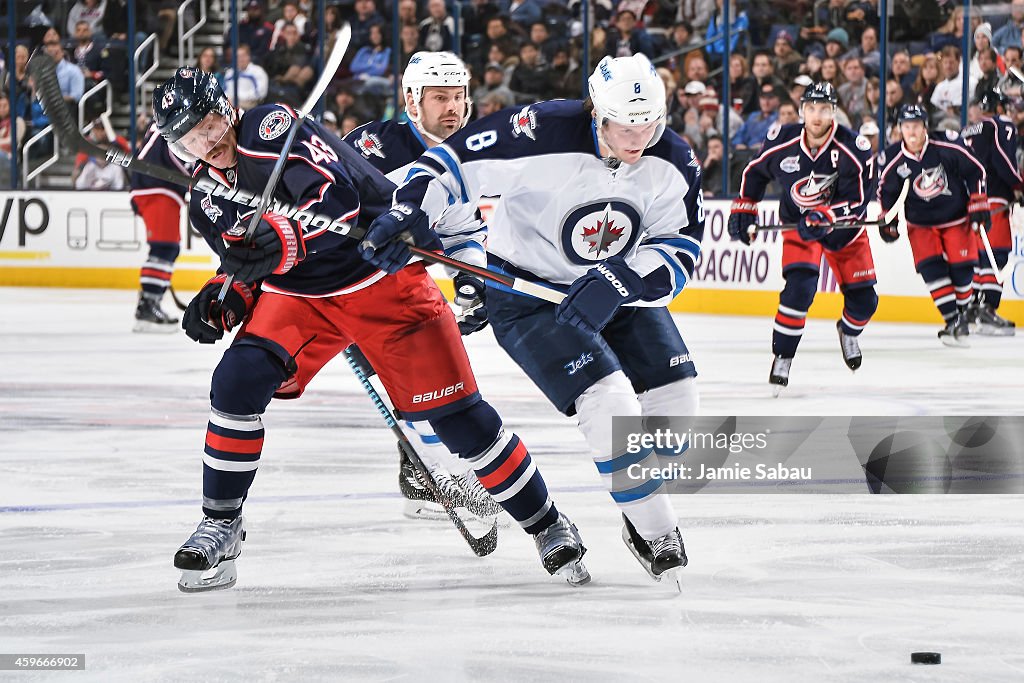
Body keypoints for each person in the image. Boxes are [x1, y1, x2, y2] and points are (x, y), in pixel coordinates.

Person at [152, 68, 588, 592]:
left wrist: (278, 239)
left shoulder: (272, 128)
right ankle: (221, 525)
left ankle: (547, 525)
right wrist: (229, 292)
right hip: (300, 299)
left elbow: (339, 205)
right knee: (235, 383)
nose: (210, 141)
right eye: (193, 137)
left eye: (210, 123)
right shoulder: (205, 196)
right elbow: (246, 262)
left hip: (382, 281)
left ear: (227, 108)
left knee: (460, 422)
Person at [360, 53, 701, 584]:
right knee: (607, 403)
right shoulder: (538, 130)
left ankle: (638, 498)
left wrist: (622, 282)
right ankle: (654, 528)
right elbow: (450, 165)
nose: (637, 140)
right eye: (623, 126)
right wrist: (410, 211)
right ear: (595, 113)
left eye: (648, 124)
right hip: (530, 295)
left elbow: (681, 248)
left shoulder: (673, 157)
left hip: (616, 290)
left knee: (678, 410)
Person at [343, 52, 498, 520]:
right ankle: (431, 472)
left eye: (458, 97)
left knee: (422, 372)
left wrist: (470, 280)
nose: (452, 108)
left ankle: (421, 473)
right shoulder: (371, 146)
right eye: (439, 98)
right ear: (412, 100)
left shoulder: (470, 154)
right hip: (343, 279)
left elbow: (462, 233)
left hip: (398, 286)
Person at [728, 82, 878, 393]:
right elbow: (754, 173)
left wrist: (828, 215)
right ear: (801, 111)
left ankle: (848, 332)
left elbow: (861, 199)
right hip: (799, 228)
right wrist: (745, 208)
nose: (817, 115)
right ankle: (782, 357)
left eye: (824, 109)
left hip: (844, 232)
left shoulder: (854, 147)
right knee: (799, 291)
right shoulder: (782, 140)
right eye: (811, 108)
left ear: (834, 112)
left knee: (865, 302)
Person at [876, 104, 989, 347]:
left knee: (963, 268)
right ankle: (952, 321)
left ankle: (961, 313)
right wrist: (889, 218)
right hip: (921, 224)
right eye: (906, 126)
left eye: (916, 125)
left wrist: (979, 201)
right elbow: (887, 191)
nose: (912, 131)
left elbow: (976, 170)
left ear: (925, 126)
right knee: (930, 269)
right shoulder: (892, 158)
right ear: (900, 130)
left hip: (956, 218)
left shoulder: (947, 145)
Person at [960, 91, 1020, 335]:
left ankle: (973, 307)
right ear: (998, 107)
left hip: (969, 204)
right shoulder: (1000, 124)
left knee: (979, 258)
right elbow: (1003, 158)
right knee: (997, 255)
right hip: (993, 198)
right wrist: (1018, 185)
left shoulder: (967, 131)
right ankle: (988, 308)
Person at [129, 120, 190, 333]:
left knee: (166, 248)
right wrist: (194, 178)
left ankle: (150, 303)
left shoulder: (169, 121)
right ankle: (147, 307)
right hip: (157, 188)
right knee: (164, 248)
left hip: (156, 187)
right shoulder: (174, 122)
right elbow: (175, 157)